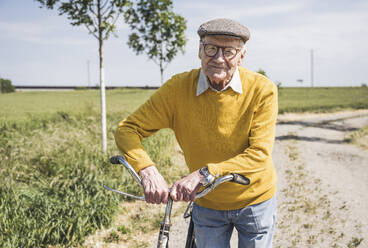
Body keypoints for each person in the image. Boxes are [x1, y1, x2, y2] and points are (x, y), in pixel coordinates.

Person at [115, 18, 278, 248]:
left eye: (229, 51)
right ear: (199, 51)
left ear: (242, 56)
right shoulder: (177, 89)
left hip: (254, 200)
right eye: (211, 48)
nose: (219, 58)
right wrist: (146, 170)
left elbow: (259, 153)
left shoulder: (262, 90)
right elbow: (127, 129)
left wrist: (204, 174)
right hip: (207, 203)